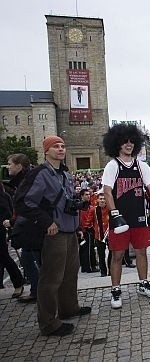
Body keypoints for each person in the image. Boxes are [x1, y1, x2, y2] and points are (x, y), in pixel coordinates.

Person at [15, 136, 91, 336]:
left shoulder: (64, 173)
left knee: (69, 272)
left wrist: (77, 224)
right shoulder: (39, 173)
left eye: (63, 146)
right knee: (51, 278)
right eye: (56, 146)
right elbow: (23, 202)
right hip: (53, 232)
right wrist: (46, 221)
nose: (60, 149)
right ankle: (48, 322)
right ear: (46, 150)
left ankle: (69, 307)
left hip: (69, 229)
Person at [102, 124, 150, 309]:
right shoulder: (112, 166)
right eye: (124, 141)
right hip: (120, 218)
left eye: (131, 141)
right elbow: (107, 192)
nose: (128, 144)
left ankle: (143, 283)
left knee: (141, 252)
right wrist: (114, 214)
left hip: (139, 217)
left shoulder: (141, 165)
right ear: (117, 144)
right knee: (117, 255)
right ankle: (115, 289)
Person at [3, 153, 35, 302]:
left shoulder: (25, 182)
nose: (7, 166)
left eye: (10, 164)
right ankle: (36, 290)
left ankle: (39, 291)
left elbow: (27, 206)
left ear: (19, 166)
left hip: (31, 227)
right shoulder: (20, 182)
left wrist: (13, 221)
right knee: (29, 260)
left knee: (31, 260)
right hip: (27, 225)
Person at [77, 188, 98, 273]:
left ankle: (85, 266)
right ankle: (89, 266)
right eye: (86, 194)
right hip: (85, 230)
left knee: (86, 248)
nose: (88, 196)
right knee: (88, 249)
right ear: (82, 196)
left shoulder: (91, 207)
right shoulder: (79, 208)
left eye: (89, 194)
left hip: (89, 229)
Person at [91, 192, 110, 277]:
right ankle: (103, 271)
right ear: (97, 200)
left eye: (104, 198)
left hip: (109, 234)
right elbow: (90, 221)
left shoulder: (110, 209)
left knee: (112, 253)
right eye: (101, 199)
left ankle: (111, 269)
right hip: (99, 235)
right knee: (101, 254)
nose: (102, 200)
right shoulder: (94, 210)